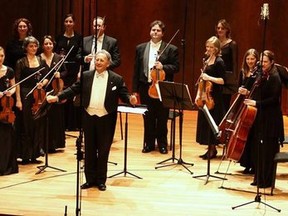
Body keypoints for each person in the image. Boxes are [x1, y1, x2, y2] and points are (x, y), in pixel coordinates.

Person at [46, 50, 137, 191]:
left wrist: (131, 99)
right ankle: (90, 180)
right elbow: (73, 89)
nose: (98, 62)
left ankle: (101, 180)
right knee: (89, 149)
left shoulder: (117, 79)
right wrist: (58, 97)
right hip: (89, 116)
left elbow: (124, 95)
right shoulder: (86, 76)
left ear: (108, 63)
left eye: (102, 60)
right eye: (97, 60)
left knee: (103, 150)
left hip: (106, 118)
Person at [132, 20, 179, 154]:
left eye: (158, 30)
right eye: (153, 30)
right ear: (150, 31)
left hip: (163, 87)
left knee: (162, 117)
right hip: (145, 86)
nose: (155, 32)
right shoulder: (141, 48)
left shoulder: (171, 49)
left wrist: (163, 66)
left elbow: (176, 67)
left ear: (163, 33)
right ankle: (149, 143)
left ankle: (163, 144)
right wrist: (135, 90)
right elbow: (136, 70)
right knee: (148, 117)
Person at [244, 50, 284, 188]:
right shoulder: (261, 74)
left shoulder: (274, 76)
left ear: (272, 62)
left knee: (267, 150)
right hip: (260, 116)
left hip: (271, 118)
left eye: (265, 62)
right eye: (261, 61)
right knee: (258, 149)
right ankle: (258, 177)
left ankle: (266, 181)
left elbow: (273, 100)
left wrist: (256, 103)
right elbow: (254, 89)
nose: (263, 64)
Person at [15, 36, 48, 164]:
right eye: (31, 46)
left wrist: (42, 84)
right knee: (26, 124)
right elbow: (17, 82)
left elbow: (47, 76)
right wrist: (18, 100)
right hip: (25, 94)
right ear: (26, 47)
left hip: (38, 95)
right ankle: (25, 155)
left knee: (37, 124)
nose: (33, 48)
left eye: (35, 46)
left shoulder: (41, 60)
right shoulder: (21, 62)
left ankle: (35, 154)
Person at [195, 36, 225, 159]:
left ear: (217, 48)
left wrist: (209, 78)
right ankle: (209, 148)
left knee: (213, 120)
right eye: (207, 46)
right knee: (205, 122)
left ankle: (213, 149)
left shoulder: (219, 61)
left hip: (215, 96)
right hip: (205, 94)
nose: (209, 49)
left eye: (212, 47)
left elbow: (223, 80)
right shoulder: (206, 59)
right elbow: (203, 79)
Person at [55, 13, 82, 131]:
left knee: (71, 95)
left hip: (74, 69)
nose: (68, 24)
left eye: (70, 21)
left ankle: (72, 124)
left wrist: (79, 71)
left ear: (74, 23)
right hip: (62, 69)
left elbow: (80, 56)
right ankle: (63, 124)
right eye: (66, 21)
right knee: (62, 94)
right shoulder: (59, 37)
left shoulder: (79, 37)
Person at [40, 35, 66, 152]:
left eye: (50, 43)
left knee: (55, 117)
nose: (48, 45)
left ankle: (55, 143)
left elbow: (65, 71)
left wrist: (60, 75)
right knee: (44, 117)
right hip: (43, 90)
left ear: (53, 44)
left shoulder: (58, 58)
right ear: (42, 45)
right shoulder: (39, 58)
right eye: (46, 43)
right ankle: (43, 144)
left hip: (56, 89)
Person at [237, 48, 259, 174]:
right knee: (244, 134)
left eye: (252, 59)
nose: (250, 61)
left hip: (253, 107)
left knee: (251, 135)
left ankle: (253, 164)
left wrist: (249, 92)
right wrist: (240, 89)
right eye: (248, 59)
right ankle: (246, 163)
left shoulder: (258, 73)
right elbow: (239, 86)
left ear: (257, 60)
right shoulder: (243, 71)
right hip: (243, 104)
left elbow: (258, 91)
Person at [0, 46, 18, 175]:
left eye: (1, 56)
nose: (0, 58)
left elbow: (14, 87)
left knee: (6, 136)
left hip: (6, 106)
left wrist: (8, 93)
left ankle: (5, 165)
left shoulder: (9, 70)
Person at [216, 19, 238, 112]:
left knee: (225, 104)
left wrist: (234, 80)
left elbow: (234, 63)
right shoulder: (215, 43)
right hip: (216, 76)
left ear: (227, 30)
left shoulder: (232, 44)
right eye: (218, 28)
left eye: (222, 28)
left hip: (226, 78)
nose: (220, 30)